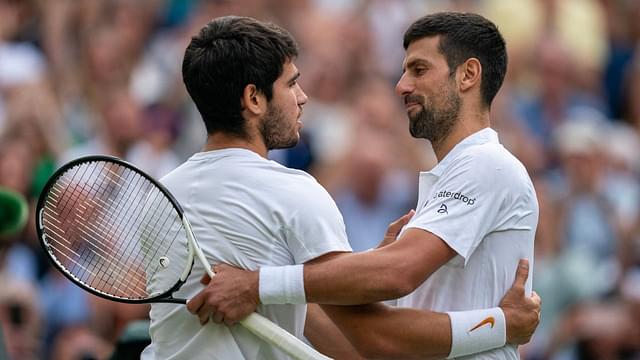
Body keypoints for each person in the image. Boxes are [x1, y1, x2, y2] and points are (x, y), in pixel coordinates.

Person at [144, 15, 539, 360]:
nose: (400, 85)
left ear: (468, 74)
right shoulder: (297, 194)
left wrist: (257, 285)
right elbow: (371, 335)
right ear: (254, 98)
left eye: (418, 70)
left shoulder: (159, 194)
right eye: (292, 84)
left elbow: (383, 303)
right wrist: (500, 325)